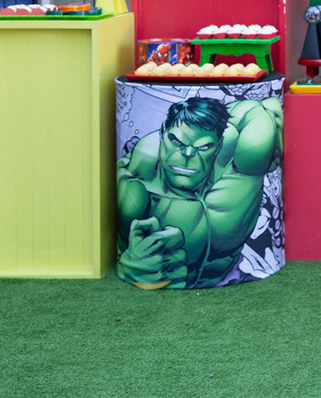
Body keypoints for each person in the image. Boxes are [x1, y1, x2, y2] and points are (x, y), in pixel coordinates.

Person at [116, 96, 282, 289]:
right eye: (176, 142)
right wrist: (135, 265)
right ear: (162, 134)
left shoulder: (243, 157)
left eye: (203, 147)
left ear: (218, 146)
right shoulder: (138, 186)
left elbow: (261, 109)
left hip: (239, 277)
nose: (187, 155)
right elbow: (129, 256)